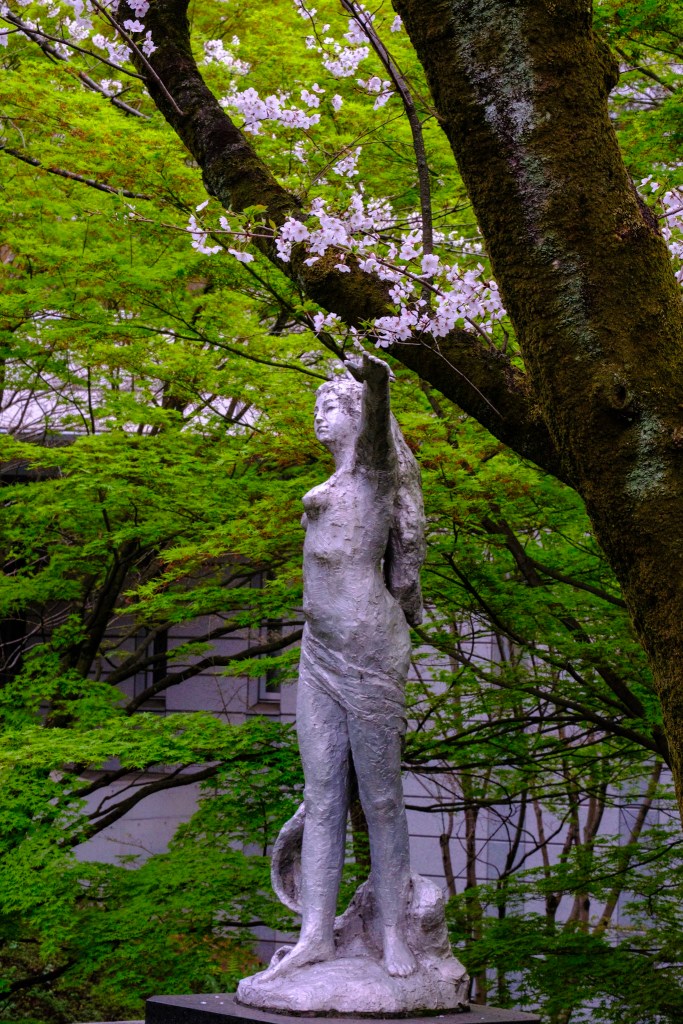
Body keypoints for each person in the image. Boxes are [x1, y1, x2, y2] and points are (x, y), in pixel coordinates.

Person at [265, 351, 426, 980]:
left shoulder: (372, 478)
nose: (318, 417)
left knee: (382, 798)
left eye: (329, 407)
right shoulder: (329, 487)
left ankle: (393, 932)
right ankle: (315, 935)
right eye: (315, 407)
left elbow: (381, 434)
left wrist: (377, 383)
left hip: (369, 648)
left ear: (359, 417)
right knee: (323, 795)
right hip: (317, 650)